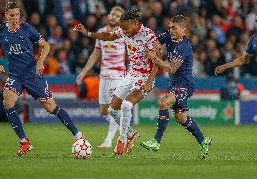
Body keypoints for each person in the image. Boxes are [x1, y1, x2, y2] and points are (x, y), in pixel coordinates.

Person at [0, 1, 85, 157]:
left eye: (17, 15)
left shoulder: (27, 29)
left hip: (33, 74)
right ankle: (24, 142)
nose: (15, 18)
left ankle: (78, 134)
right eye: (11, 15)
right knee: (7, 101)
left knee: (51, 108)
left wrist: (40, 62)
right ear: (6, 15)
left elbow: (46, 46)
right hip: (15, 76)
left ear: (20, 15)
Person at [74, 9, 160, 155]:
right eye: (122, 28)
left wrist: (149, 82)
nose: (124, 32)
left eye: (126, 28)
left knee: (126, 104)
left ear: (134, 23)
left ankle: (121, 141)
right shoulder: (123, 30)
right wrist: (88, 33)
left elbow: (157, 61)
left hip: (145, 77)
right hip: (131, 74)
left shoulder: (148, 35)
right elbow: (108, 36)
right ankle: (130, 133)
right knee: (111, 110)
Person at [140, 15, 212, 159]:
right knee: (180, 117)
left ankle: (156, 141)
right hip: (174, 84)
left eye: (174, 28)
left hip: (184, 85)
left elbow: (172, 69)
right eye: (170, 27)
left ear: (183, 29)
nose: (171, 30)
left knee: (163, 102)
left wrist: (155, 58)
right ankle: (203, 140)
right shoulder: (169, 36)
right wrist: (154, 49)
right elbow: (155, 43)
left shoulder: (184, 47)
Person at [76, 6, 126, 149]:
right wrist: (84, 71)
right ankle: (125, 127)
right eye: (111, 14)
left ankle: (109, 140)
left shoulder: (123, 34)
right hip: (104, 76)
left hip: (118, 76)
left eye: (117, 16)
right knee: (104, 110)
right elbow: (95, 55)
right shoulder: (100, 32)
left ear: (121, 19)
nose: (113, 17)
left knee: (113, 109)